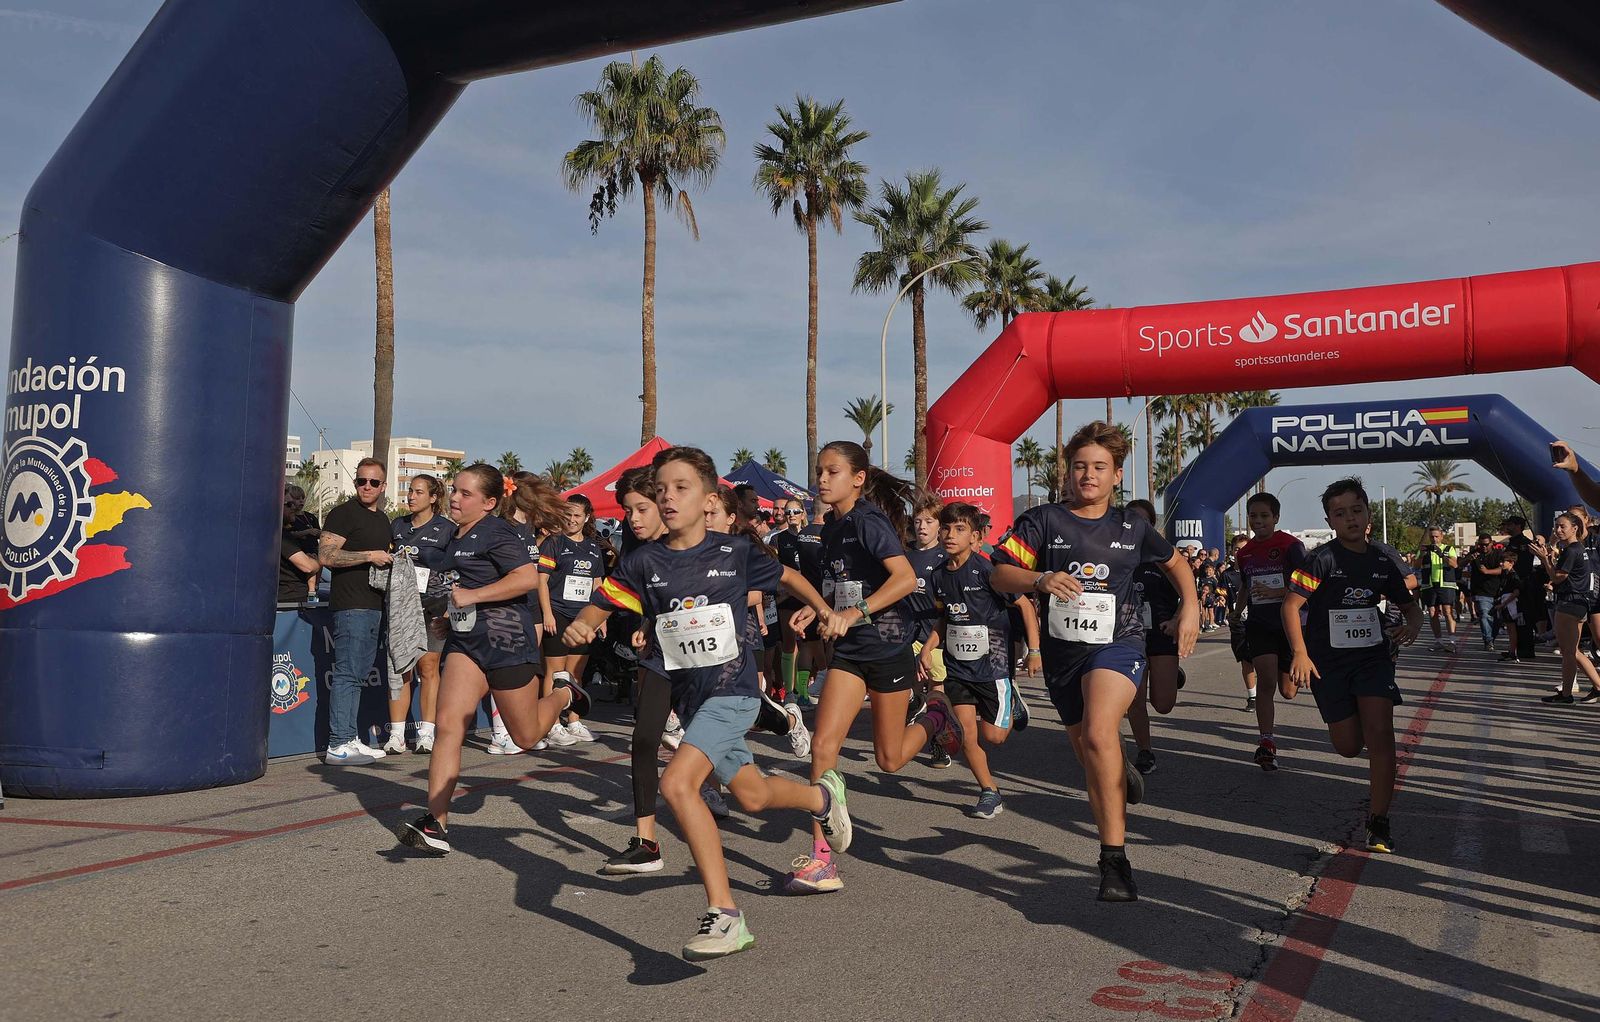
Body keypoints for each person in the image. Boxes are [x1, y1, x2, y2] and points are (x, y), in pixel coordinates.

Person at [564, 446, 847, 960]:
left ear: (708, 498)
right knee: (753, 796)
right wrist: (587, 620)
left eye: (680, 488)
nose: (667, 498)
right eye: (662, 489)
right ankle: (822, 799)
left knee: (677, 782)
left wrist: (824, 608)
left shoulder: (734, 554)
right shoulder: (643, 559)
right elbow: (608, 599)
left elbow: (787, 578)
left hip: (734, 690)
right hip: (694, 700)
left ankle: (726, 914)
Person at [990, 421, 1199, 902]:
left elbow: (1176, 564)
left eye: (1099, 467)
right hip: (1065, 657)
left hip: (1119, 645)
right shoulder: (1043, 521)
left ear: (1117, 475)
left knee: (1099, 732)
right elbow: (1001, 574)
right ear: (1067, 472)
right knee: (1092, 756)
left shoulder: (1133, 527)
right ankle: (1118, 770)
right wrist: (1040, 580)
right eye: (1080, 466)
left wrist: (1189, 606)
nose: (1088, 475)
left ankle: (1114, 860)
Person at [783, 441, 962, 896]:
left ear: (858, 478)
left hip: (886, 647)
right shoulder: (830, 527)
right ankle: (822, 859)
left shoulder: (869, 521)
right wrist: (817, 609)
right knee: (822, 745)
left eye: (832, 472)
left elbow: (903, 579)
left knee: (889, 759)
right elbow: (839, 582)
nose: (821, 479)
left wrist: (856, 613)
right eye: (819, 471)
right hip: (848, 651)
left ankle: (936, 716)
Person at [394, 464, 589, 856]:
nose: (455, 498)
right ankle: (436, 823)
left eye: (465, 494)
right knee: (449, 727)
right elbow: (462, 585)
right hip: (468, 642)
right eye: (454, 490)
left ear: (489, 502)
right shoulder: (456, 534)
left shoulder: (497, 532)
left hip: (506, 639)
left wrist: (472, 598)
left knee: (526, 735)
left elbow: (524, 578)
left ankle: (566, 695)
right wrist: (451, 615)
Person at [1282, 478, 1421, 854]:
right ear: (1330, 521)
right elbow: (1291, 606)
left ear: (1368, 515)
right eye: (1340, 514)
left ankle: (1379, 822)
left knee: (1381, 734)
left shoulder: (1382, 559)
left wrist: (1412, 625)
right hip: (1327, 662)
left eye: (1356, 511)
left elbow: (1410, 605)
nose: (1350, 519)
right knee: (1347, 746)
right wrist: (1300, 653)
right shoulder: (1322, 559)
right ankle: (1353, 722)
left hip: (1372, 658)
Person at [918, 501, 1040, 818]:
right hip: (959, 669)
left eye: (959, 529)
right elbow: (945, 618)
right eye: (945, 528)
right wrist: (928, 646)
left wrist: (1034, 651)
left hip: (994, 666)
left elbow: (1026, 607)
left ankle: (1011, 700)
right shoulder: (939, 576)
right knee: (967, 735)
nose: (949, 534)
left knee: (994, 737)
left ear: (975, 538)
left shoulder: (988, 572)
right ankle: (989, 792)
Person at [602, 466, 675, 875]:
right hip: (662, 658)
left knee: (741, 779)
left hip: (712, 665)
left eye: (641, 509)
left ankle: (775, 714)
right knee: (644, 739)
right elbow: (628, 594)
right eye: (628, 511)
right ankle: (647, 843)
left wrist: (825, 610)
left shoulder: (702, 546)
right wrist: (646, 625)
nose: (634, 519)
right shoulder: (639, 552)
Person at [317, 458, 395, 766]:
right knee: (348, 674)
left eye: (373, 482)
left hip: (374, 605)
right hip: (350, 605)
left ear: (383, 486)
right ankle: (338, 743)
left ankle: (350, 738)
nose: (366, 486)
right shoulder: (343, 513)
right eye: (361, 481)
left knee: (358, 675)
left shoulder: (383, 519)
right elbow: (325, 556)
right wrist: (369, 556)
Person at [490, 471, 569, 754]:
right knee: (505, 670)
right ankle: (500, 734)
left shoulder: (530, 527)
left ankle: (525, 728)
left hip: (532, 605)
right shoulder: (501, 526)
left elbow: (528, 561)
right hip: (509, 609)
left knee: (527, 668)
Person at [384, 474, 456, 754]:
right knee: (401, 668)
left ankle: (426, 733)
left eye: (418, 492)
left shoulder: (446, 529)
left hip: (433, 605)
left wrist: (449, 611)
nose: (411, 497)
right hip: (401, 608)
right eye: (410, 492)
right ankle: (397, 735)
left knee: (428, 668)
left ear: (433, 497)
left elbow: (454, 571)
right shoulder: (397, 525)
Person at [1236, 493, 1307, 771]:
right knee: (1265, 682)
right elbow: (1245, 585)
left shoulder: (1291, 546)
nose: (1259, 521)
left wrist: (1278, 592)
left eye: (1264, 515)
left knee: (1288, 691)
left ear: (1276, 518)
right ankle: (1267, 743)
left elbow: (1308, 587)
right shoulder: (1244, 553)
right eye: (1254, 515)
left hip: (1291, 627)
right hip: (1260, 624)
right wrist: (1236, 609)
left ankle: (1297, 668)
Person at [537, 495, 611, 745]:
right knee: (555, 671)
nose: (571, 519)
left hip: (583, 617)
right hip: (557, 613)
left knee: (576, 671)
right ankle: (551, 724)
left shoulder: (592, 547)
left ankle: (574, 720)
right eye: (568, 514)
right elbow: (542, 580)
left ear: (586, 517)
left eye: (577, 515)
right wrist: (547, 613)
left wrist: (600, 617)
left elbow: (597, 583)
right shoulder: (553, 542)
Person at [1124, 500, 1187, 775]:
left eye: (1143, 521)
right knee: (1134, 700)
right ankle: (1144, 751)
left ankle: (1173, 673)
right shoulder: (1117, 556)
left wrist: (1176, 620)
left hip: (1161, 634)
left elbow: (1189, 595)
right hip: (1129, 636)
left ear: (1151, 525)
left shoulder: (1162, 558)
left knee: (1163, 705)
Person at [905, 494, 956, 768]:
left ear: (939, 526)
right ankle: (913, 713)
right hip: (906, 634)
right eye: (918, 521)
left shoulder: (945, 557)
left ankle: (939, 743)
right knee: (907, 687)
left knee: (937, 689)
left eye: (929, 521)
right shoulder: (904, 554)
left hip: (935, 635)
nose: (922, 526)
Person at [1532, 513, 1600, 703]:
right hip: (1579, 604)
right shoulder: (1577, 549)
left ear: (1575, 528)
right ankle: (1570, 692)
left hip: (1570, 604)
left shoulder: (1572, 550)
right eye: (1556, 527)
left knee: (1568, 652)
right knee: (1572, 651)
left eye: (1563, 526)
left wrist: (1544, 559)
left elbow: (1557, 577)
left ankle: (1570, 693)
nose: (1558, 530)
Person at [1500, 515, 1545, 663]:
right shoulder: (1512, 542)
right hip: (1511, 585)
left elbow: (1524, 568)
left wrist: (1519, 584)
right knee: (1513, 621)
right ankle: (1515, 649)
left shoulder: (1524, 543)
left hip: (1522, 587)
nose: (1507, 527)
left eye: (1510, 524)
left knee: (1523, 619)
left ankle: (1525, 650)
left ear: (1518, 526)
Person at [1412, 527, 1460, 652]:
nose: (1434, 539)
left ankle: (1452, 641)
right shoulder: (1424, 550)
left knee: (1447, 611)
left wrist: (1440, 553)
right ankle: (1438, 641)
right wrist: (1421, 554)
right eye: (1432, 537)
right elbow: (1415, 566)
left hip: (1446, 584)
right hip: (1429, 585)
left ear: (1441, 536)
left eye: (1436, 536)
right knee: (1433, 613)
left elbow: (1454, 564)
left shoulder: (1449, 549)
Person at [279, 485, 321, 604]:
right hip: (291, 599)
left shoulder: (310, 518)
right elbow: (308, 567)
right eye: (289, 504)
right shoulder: (281, 536)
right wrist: (316, 562)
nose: (294, 507)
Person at [1463, 536, 1505, 650]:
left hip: (1497, 591)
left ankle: (1491, 637)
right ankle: (1488, 640)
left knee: (1497, 619)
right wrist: (1468, 559)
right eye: (1481, 545)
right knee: (1485, 615)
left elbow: (1503, 569)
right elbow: (1459, 565)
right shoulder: (1475, 553)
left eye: (1486, 544)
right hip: (1480, 591)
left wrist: (1487, 571)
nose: (1484, 547)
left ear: (1492, 543)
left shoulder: (1498, 554)